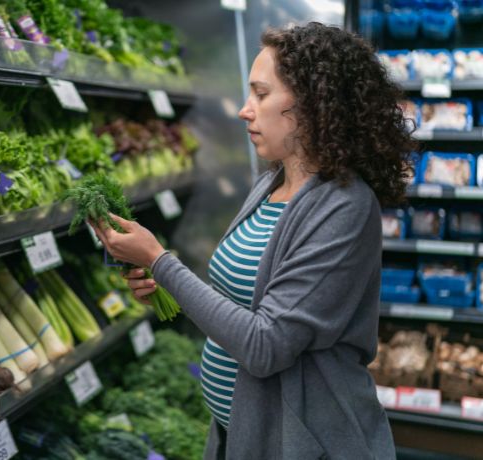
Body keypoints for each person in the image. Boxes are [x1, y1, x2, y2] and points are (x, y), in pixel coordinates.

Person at [91, 22, 414, 460]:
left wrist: (162, 260)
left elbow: (266, 347)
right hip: (239, 431)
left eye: (261, 94)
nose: (245, 109)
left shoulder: (345, 207)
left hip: (302, 442)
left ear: (313, 105)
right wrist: (164, 283)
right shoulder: (269, 185)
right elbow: (244, 302)